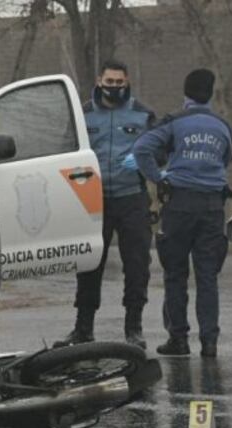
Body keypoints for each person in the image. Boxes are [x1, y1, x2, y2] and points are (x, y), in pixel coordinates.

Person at [130, 69, 232, 358]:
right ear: (210, 94)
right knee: (207, 276)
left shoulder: (175, 122)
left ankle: (178, 338)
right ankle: (210, 342)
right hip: (213, 206)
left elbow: (141, 149)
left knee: (175, 274)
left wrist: (158, 178)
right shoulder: (223, 126)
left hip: (179, 205)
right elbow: (226, 159)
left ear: (186, 93)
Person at [54, 60, 156, 349]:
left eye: (119, 83)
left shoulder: (143, 114)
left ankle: (133, 328)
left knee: (137, 264)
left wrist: (147, 160)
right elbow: (66, 151)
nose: (114, 88)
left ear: (127, 82)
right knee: (89, 264)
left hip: (132, 198)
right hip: (93, 201)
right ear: (99, 81)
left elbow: (161, 150)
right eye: (109, 82)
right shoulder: (83, 114)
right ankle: (83, 328)